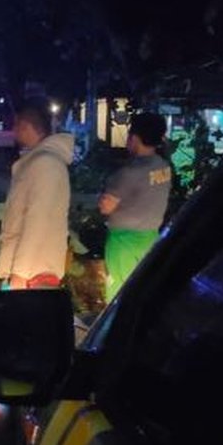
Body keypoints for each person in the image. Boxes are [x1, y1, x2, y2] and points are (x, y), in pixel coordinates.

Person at [0, 97, 75, 290]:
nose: (13, 131)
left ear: (25, 126)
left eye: (15, 126)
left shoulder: (45, 164)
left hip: (35, 273)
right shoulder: (39, 161)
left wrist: (20, 272)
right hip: (29, 270)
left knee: (28, 319)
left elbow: (37, 220)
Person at [99, 112, 171, 302]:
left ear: (135, 138)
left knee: (119, 297)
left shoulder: (128, 173)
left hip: (124, 243)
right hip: (151, 239)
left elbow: (106, 207)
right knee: (143, 292)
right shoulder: (163, 166)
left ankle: (116, 331)